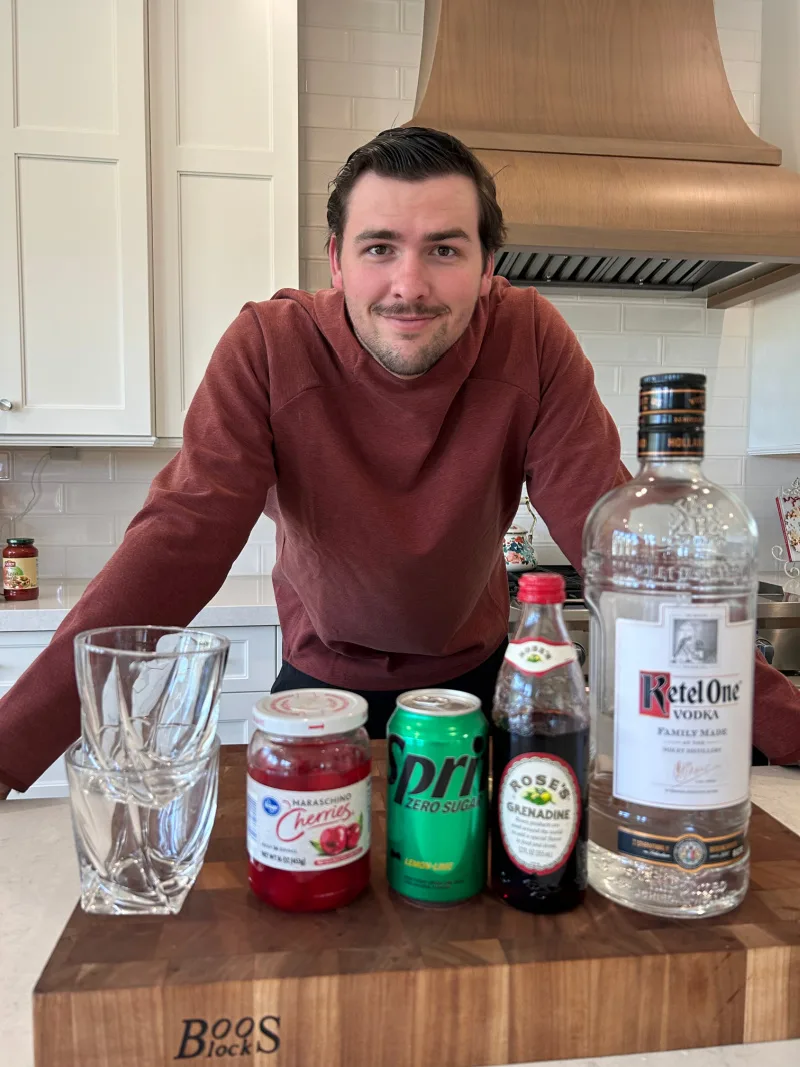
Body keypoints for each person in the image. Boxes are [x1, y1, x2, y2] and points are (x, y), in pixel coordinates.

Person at [1, 126, 799, 797]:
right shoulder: (267, 349)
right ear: (336, 262)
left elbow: (620, 546)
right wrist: (8, 752)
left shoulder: (531, 337)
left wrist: (789, 729)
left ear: (490, 269)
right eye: (379, 247)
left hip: (478, 690)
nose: (408, 285)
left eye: (444, 249)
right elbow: (179, 541)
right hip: (317, 690)